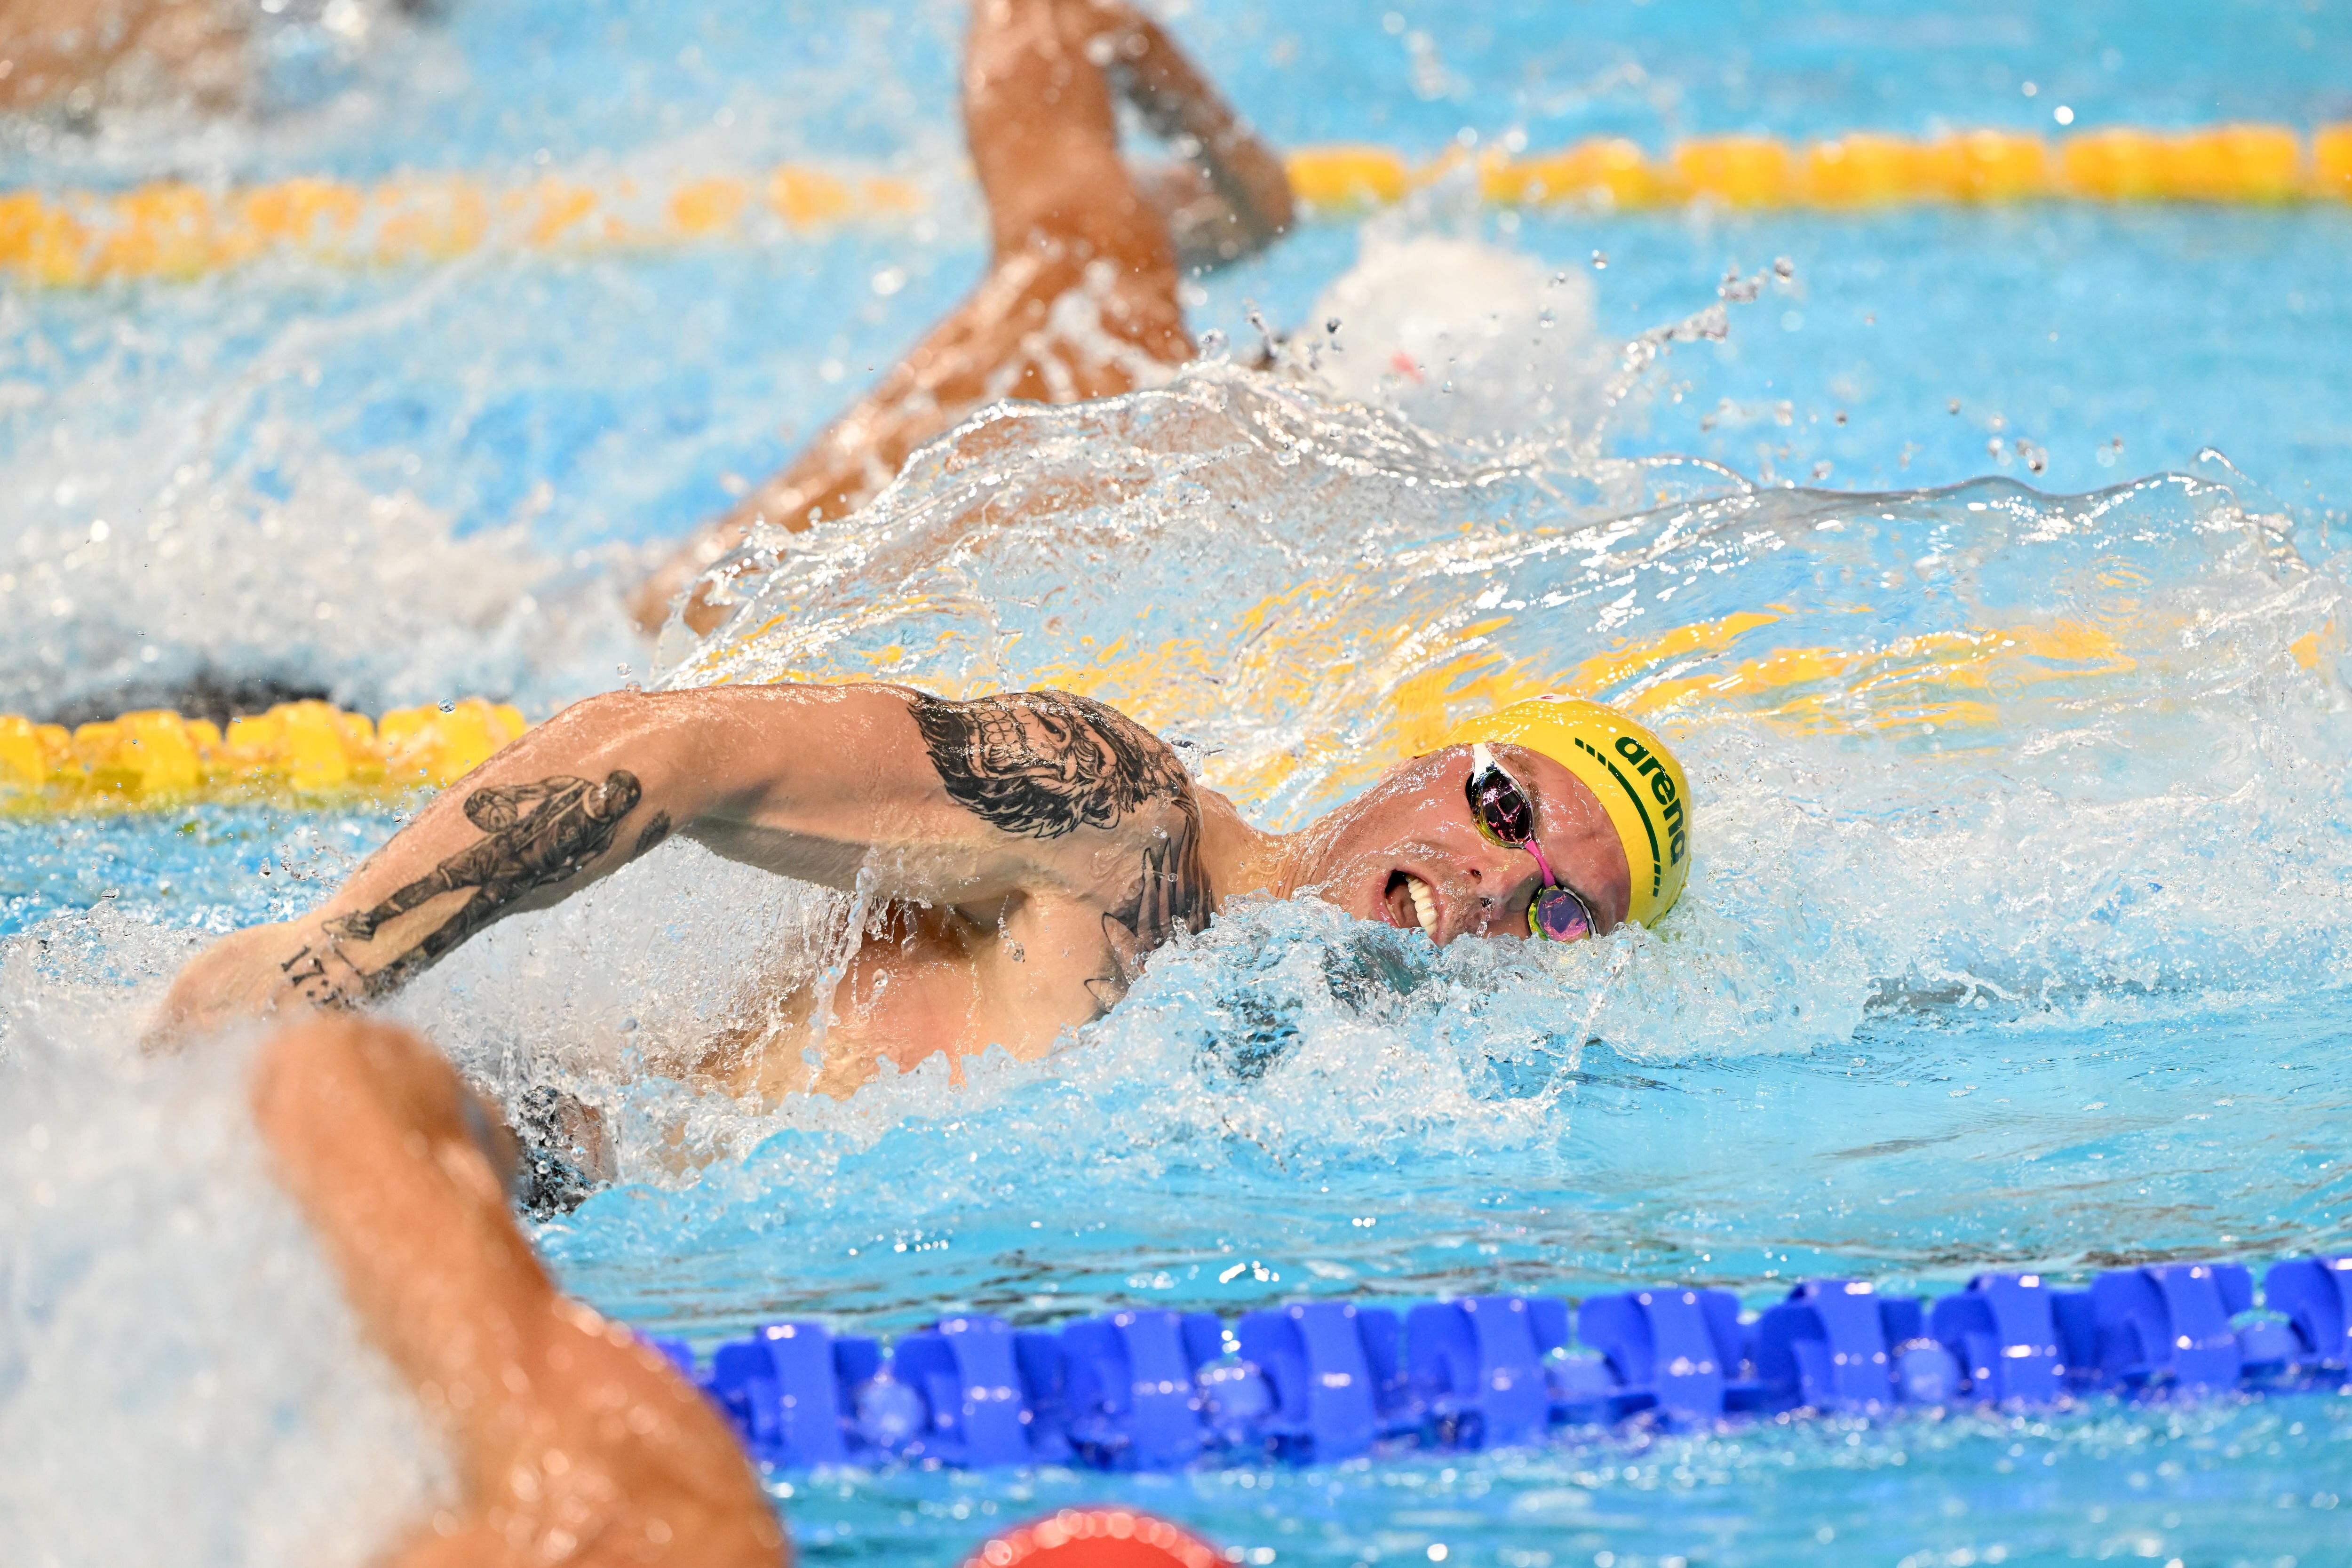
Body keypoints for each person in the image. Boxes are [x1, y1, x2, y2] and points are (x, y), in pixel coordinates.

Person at [160, 685, 1692, 1096]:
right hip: (540, 1169)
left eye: (1563, 910)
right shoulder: (1114, 819)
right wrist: (332, 960)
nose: (1500, 884)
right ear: (1423, 764)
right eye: (1508, 805)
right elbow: (677, 745)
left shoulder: (1337, 1096)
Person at [628, 0, 1295, 635]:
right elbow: (1268, 209)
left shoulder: (1032, 23)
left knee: (704, 591)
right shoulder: (1088, 34)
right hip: (1124, 376)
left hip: (1047, 346)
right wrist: (1149, 202)